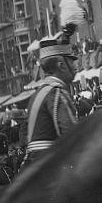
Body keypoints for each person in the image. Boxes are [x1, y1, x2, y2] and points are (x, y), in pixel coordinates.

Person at [22, 37, 79, 166]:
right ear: (61, 65)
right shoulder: (56, 93)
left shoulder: (37, 94)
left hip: (33, 164)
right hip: (51, 165)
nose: (75, 66)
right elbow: (71, 135)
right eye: (72, 62)